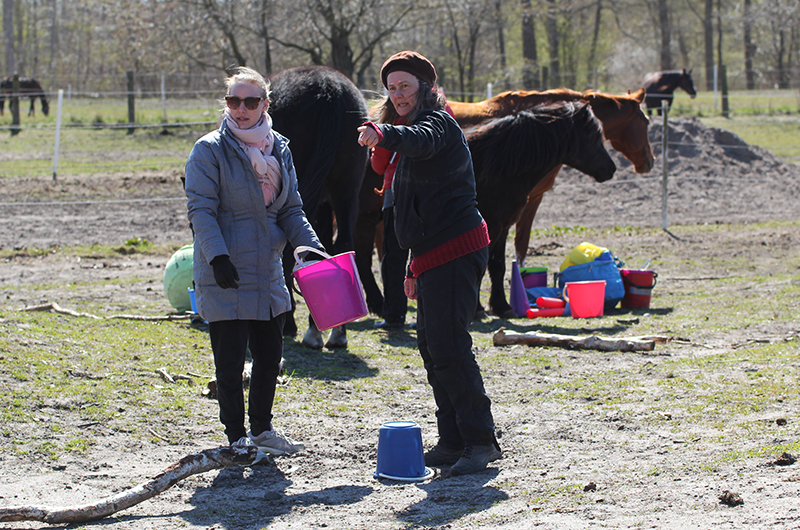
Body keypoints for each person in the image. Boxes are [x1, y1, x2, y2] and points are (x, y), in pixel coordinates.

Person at [357, 51, 501, 476]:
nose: (398, 94)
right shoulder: (403, 135)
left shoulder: (437, 124)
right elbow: (414, 208)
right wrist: (412, 266)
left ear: (425, 86)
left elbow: (418, 139)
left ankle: (480, 441)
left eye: (405, 85)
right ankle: (454, 439)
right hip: (431, 253)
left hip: (457, 247)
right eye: (391, 88)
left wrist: (384, 132)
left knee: (450, 345)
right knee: (431, 345)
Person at [185, 66, 323, 454]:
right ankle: (236, 438)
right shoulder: (209, 149)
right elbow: (201, 210)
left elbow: (291, 208)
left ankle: (262, 430)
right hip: (225, 268)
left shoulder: (279, 147)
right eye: (233, 101)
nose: (241, 109)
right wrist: (217, 257)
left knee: (270, 357)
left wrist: (311, 248)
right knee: (229, 365)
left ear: (265, 103)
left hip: (267, 267)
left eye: (249, 101)